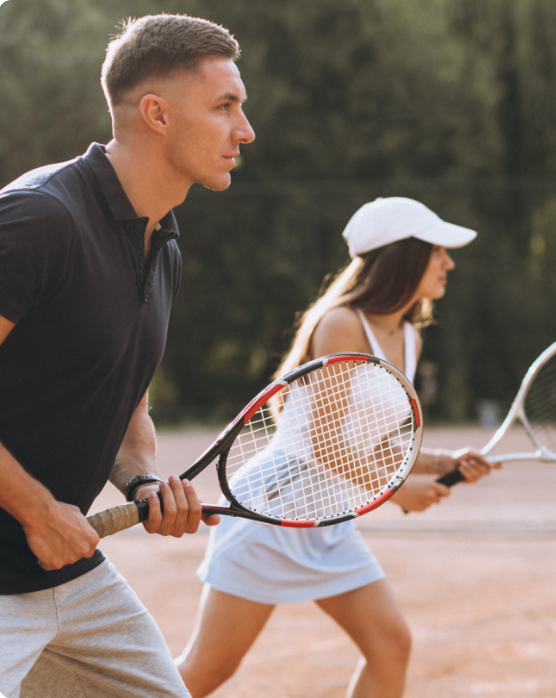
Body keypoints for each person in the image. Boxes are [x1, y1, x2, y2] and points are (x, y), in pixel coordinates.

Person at [0, 14, 254, 698]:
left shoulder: (162, 244)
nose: (245, 130)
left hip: (65, 574)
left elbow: (125, 396)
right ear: (156, 114)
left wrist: (142, 480)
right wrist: (35, 511)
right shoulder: (38, 220)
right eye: (225, 106)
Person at [175, 197, 500, 698]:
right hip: (270, 513)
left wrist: (442, 462)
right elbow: (325, 446)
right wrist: (399, 493)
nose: (448, 263)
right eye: (438, 251)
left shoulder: (409, 337)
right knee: (207, 670)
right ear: (404, 256)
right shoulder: (342, 325)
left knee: (391, 645)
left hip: (329, 520)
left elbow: (377, 446)